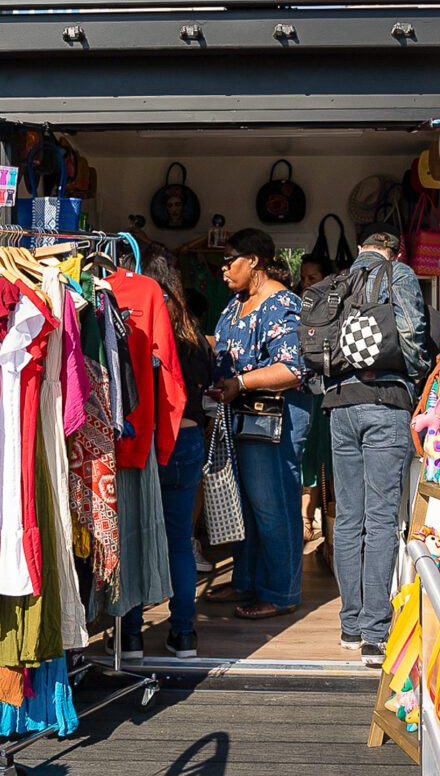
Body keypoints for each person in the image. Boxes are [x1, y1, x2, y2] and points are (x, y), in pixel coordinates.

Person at [324, 223, 429, 666]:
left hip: (340, 407)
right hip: (385, 403)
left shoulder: (339, 282)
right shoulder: (398, 274)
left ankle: (349, 625)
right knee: (382, 519)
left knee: (348, 518)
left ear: (361, 248)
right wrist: (419, 372)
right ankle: (374, 635)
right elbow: (410, 332)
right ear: (394, 249)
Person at [205, 229, 310, 620]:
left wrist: (241, 383)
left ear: (254, 261)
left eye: (230, 259)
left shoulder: (282, 304)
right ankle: (246, 579)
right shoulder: (236, 304)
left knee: (273, 508)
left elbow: (293, 368)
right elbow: (225, 347)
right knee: (245, 505)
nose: (223, 268)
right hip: (240, 420)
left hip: (273, 424)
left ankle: (281, 592)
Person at [119, 244, 213, 658]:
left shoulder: (129, 324)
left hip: (141, 440)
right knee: (179, 539)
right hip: (186, 439)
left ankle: (132, 635)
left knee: (135, 536)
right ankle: (183, 633)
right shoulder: (194, 337)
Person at [296, 256, 336, 546]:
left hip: (330, 392)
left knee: (332, 457)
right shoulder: (298, 310)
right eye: (304, 278)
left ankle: (332, 520)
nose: (307, 284)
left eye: (313, 278)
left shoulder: (337, 308)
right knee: (308, 457)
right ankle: (305, 519)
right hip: (306, 392)